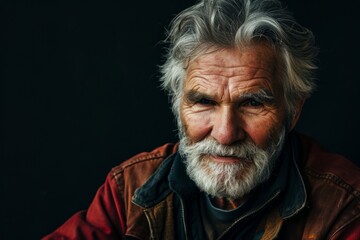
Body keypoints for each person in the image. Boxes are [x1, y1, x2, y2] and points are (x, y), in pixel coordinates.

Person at [42, 0, 360, 239]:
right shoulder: (129, 190)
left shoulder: (344, 205)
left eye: (252, 103)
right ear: (178, 104)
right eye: (204, 101)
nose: (224, 134)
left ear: (293, 111)